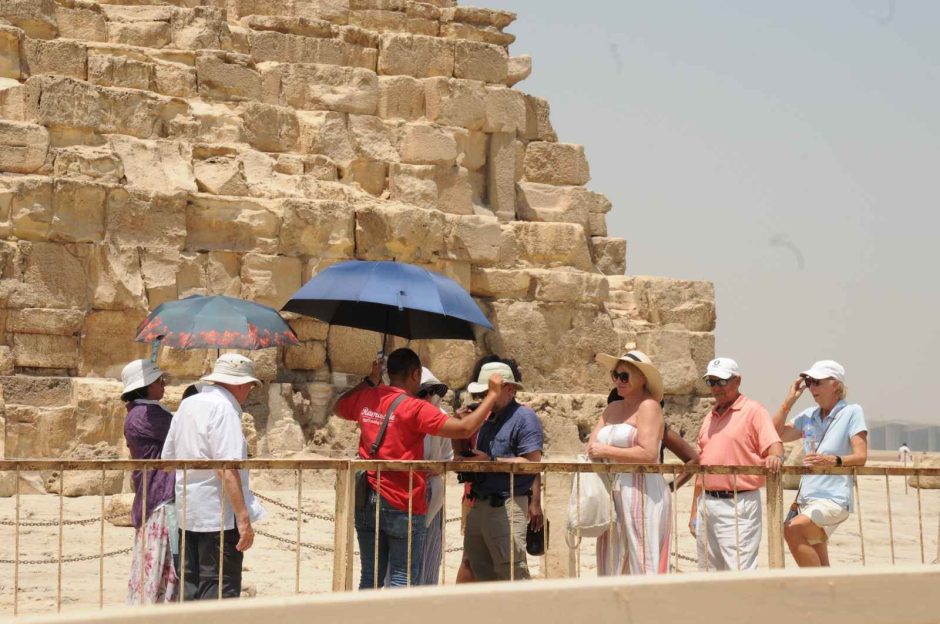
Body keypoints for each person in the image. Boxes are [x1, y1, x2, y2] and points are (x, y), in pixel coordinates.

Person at [334, 348, 503, 589]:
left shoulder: (368, 397)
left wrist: (369, 381)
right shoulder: (415, 408)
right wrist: (492, 395)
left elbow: (338, 406)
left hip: (367, 498)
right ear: (415, 374)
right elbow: (464, 428)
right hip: (403, 501)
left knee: (370, 576)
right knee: (402, 578)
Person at [161, 354, 266, 599]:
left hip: (188, 512)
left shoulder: (187, 405)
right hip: (218, 516)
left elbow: (167, 460)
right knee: (219, 588)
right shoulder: (225, 409)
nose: (248, 392)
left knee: (191, 587)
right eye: (249, 386)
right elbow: (226, 468)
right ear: (240, 384)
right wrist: (243, 519)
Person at [690, 357, 784, 571]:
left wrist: (775, 458)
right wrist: (695, 510)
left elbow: (775, 447)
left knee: (740, 571)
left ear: (737, 381)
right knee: (708, 572)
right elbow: (702, 466)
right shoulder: (709, 417)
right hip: (707, 504)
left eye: (722, 381)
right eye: (711, 382)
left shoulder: (754, 411)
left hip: (738, 504)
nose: (716, 388)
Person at [772, 360, 868, 567]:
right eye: (809, 382)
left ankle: (815, 586)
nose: (811, 388)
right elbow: (774, 435)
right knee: (822, 564)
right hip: (806, 501)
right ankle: (826, 587)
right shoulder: (808, 415)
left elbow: (861, 456)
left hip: (833, 500)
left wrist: (833, 460)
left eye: (816, 382)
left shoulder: (852, 412)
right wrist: (788, 402)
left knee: (791, 529)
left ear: (835, 384)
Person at [459, 359, 544, 582]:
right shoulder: (488, 418)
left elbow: (531, 463)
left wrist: (491, 461)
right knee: (481, 573)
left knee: (513, 575)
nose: (484, 399)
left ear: (509, 389)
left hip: (506, 505)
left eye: (489, 392)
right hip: (481, 504)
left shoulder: (525, 418)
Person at [588, 350, 671, 575]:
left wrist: (607, 451)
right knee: (611, 559)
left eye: (624, 376)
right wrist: (602, 451)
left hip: (642, 490)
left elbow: (649, 453)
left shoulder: (649, 407)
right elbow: (591, 446)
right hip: (613, 490)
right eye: (615, 375)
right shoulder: (612, 408)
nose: (618, 381)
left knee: (643, 557)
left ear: (643, 378)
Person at [121, 359, 178, 604]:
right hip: (161, 494)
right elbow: (181, 432)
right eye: (158, 381)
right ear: (144, 386)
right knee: (161, 561)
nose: (163, 384)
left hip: (152, 491)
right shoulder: (148, 415)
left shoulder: (138, 412)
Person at [606, 389, 700, 491]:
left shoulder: (657, 430)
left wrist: (668, 489)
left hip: (647, 492)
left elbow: (693, 460)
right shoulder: (608, 430)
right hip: (615, 492)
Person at [414, 367, 453, 586]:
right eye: (422, 392)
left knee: (428, 553)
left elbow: (448, 455)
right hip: (402, 490)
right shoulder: (400, 414)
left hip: (431, 493)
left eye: (430, 392)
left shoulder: (441, 418)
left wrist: (439, 467)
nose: (427, 397)